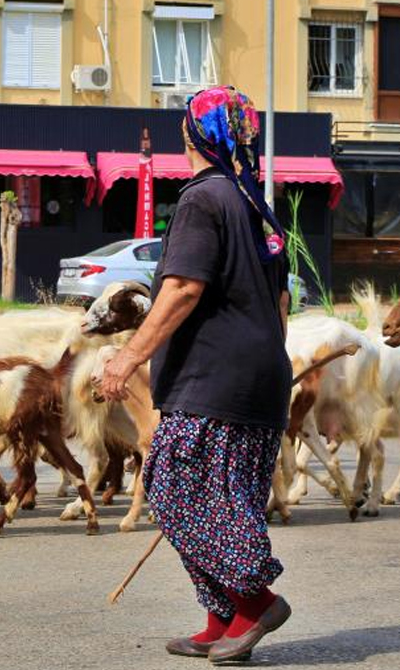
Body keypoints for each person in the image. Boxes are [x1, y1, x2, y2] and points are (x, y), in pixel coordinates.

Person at [98, 86, 292, 664]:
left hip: (214, 381)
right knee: (229, 499)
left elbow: (183, 287)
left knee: (176, 491)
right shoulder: (254, 204)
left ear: (191, 134)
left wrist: (126, 358)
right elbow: (280, 303)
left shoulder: (202, 199)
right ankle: (223, 621)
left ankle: (256, 603)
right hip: (259, 379)